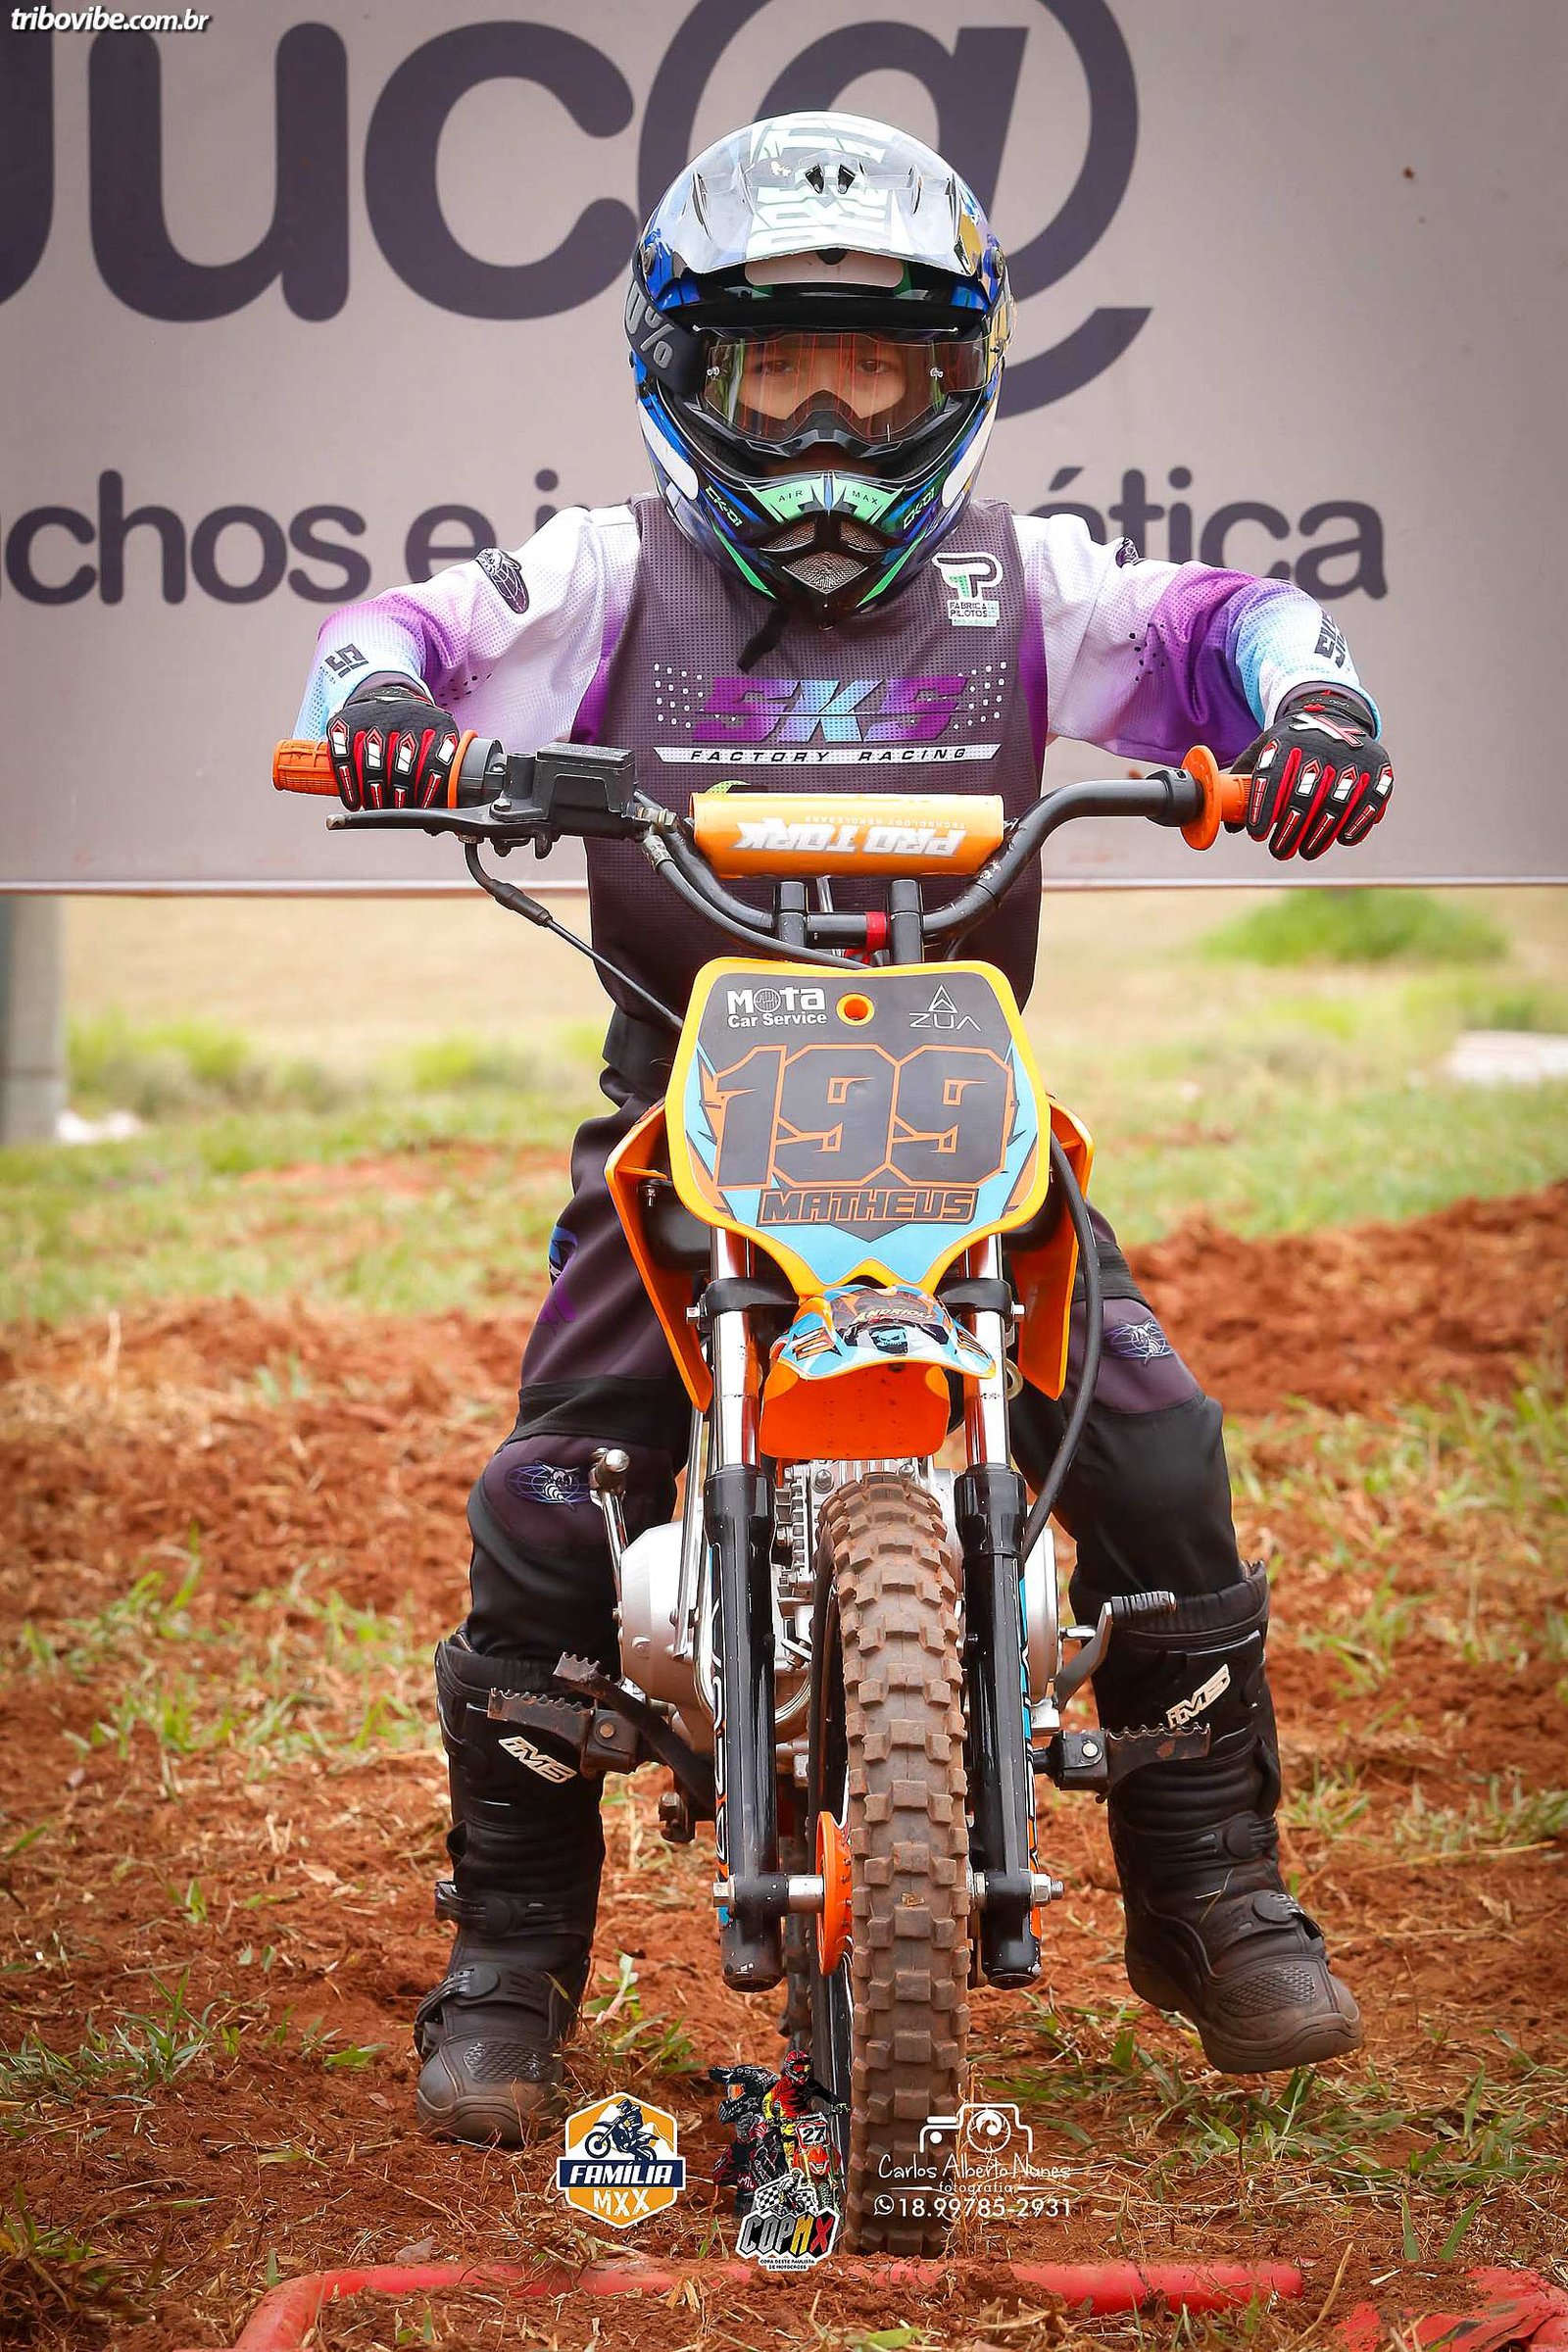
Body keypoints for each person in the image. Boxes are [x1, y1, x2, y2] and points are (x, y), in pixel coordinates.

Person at [293, 114, 1394, 2146]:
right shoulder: (610, 571)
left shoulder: (1022, 579)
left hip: (965, 1102)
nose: (821, 416)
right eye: (776, 366)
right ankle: (510, 1962)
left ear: (950, 380)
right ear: (686, 376)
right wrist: (381, 710)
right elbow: (399, 634)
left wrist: (1306, 713)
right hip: (682, 1108)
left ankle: (1212, 1892)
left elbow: (1223, 618)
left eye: (872, 371)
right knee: (545, 1500)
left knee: (1156, 1440)